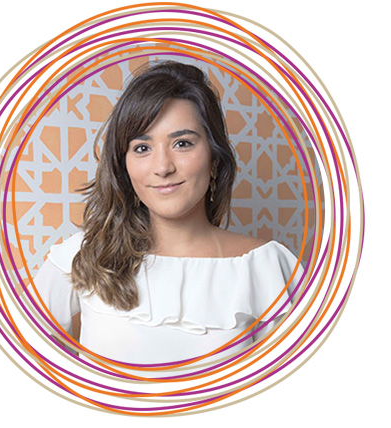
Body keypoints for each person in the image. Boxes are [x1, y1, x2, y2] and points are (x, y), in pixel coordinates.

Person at [31, 61, 304, 368]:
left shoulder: (267, 268)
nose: (162, 167)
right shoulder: (83, 256)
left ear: (214, 156)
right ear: (123, 164)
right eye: (142, 148)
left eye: (182, 143)